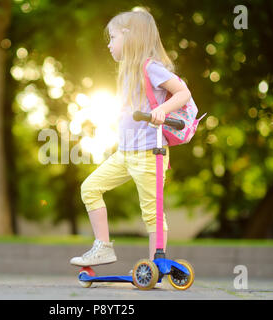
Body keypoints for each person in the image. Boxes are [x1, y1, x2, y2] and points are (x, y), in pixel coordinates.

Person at [70, 9, 192, 267]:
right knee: (90, 188)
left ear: (131, 37)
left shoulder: (152, 68)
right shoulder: (127, 71)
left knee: (153, 214)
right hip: (124, 153)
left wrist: (161, 110)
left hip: (150, 153)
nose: (109, 43)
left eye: (113, 37)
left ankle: (155, 265)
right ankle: (103, 247)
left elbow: (183, 93)